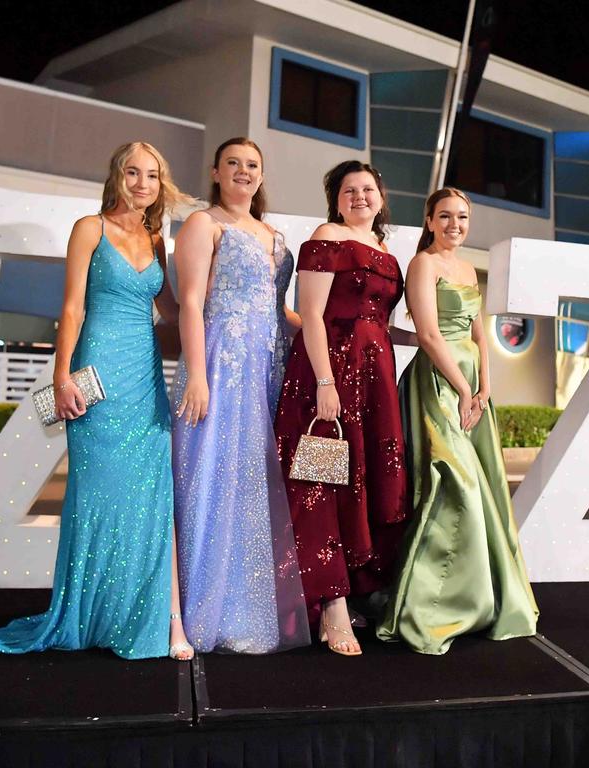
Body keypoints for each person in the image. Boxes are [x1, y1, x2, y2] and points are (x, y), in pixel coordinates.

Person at [0, 141, 192, 660]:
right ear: (116, 176)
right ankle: (90, 615)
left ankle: (150, 619)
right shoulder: (89, 228)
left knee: (151, 499)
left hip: (145, 379)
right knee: (98, 497)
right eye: (132, 173)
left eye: (151, 175)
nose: (142, 183)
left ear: (161, 184)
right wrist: (60, 375)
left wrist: (219, 313)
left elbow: (173, 310)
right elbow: (70, 310)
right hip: (98, 376)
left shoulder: (157, 237)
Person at [376, 188, 538, 655]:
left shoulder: (467, 267)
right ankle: (427, 607)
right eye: (444, 216)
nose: (454, 224)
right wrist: (464, 389)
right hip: (438, 383)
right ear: (429, 220)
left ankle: (480, 601)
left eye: (462, 217)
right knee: (455, 484)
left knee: (484, 489)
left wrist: (486, 386)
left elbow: (478, 332)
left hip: (472, 384)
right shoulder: (423, 264)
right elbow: (428, 333)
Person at [172, 137, 309, 654]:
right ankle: (204, 610)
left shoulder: (273, 234)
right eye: (233, 163)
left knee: (255, 481)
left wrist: (332, 338)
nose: (243, 172)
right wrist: (198, 377)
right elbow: (189, 302)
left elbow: (283, 313)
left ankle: (251, 604)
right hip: (221, 365)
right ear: (215, 171)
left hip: (268, 368)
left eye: (252, 165)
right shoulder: (204, 224)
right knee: (215, 477)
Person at [274, 160, 409, 656]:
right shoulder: (325, 236)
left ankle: (353, 587)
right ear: (335, 199)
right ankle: (329, 603)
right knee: (323, 482)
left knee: (362, 479)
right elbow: (311, 313)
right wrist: (325, 381)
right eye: (349, 190)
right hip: (329, 370)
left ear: (381, 196)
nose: (359, 197)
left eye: (368, 189)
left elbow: (384, 324)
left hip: (375, 379)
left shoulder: (386, 250)